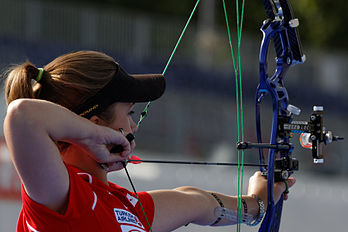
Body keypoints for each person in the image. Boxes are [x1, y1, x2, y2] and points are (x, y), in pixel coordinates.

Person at [3, 50, 295, 232]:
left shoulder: (123, 204)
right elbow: (22, 118)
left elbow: (198, 204)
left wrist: (258, 202)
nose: (133, 126)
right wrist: (97, 137)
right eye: (128, 113)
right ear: (94, 125)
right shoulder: (60, 197)